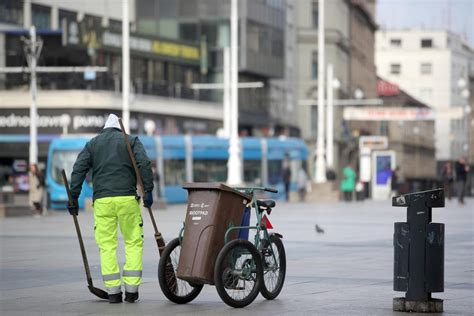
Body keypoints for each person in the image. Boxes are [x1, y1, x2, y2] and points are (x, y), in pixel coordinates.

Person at [68, 114, 154, 304]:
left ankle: (113, 292)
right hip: (127, 199)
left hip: (102, 201)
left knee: (106, 245)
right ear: (118, 128)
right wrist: (148, 191)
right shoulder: (130, 140)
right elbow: (144, 163)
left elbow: (78, 169)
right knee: (133, 241)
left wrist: (73, 196)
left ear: (105, 128)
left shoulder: (93, 144)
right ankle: (131, 291)